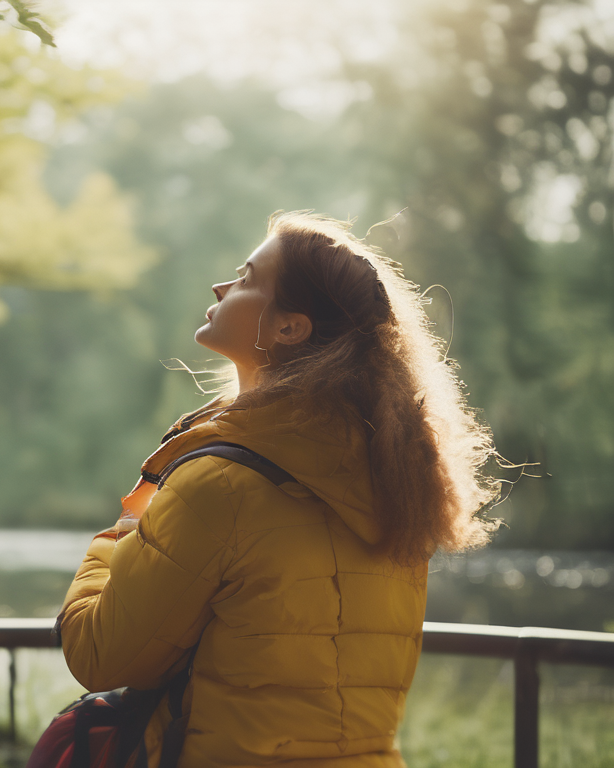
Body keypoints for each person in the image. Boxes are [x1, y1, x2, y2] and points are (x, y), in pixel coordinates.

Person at [57, 211, 500, 767]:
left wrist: (122, 532)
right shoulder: (397, 480)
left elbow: (100, 653)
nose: (222, 285)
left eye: (245, 278)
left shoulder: (219, 486)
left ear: (290, 327)